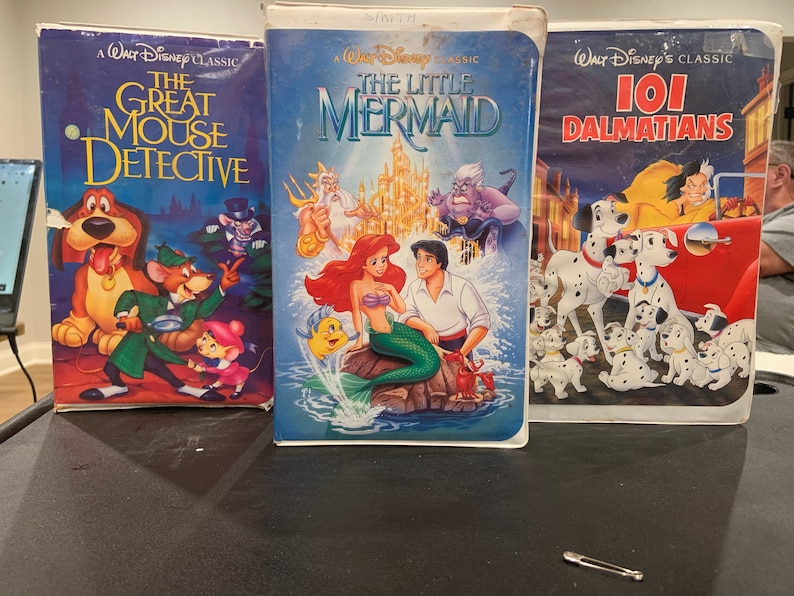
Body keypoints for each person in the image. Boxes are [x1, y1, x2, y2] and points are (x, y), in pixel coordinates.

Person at [303, 234, 440, 412]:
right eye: (374, 261)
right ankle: (372, 384)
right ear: (363, 264)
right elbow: (356, 313)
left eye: (384, 259)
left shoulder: (381, 285)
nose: (381, 265)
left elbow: (400, 309)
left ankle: (374, 384)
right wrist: (359, 341)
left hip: (395, 328)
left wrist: (392, 290)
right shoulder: (356, 286)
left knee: (433, 359)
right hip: (381, 337)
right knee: (429, 366)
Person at [399, 239, 490, 359]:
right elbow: (405, 315)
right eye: (419, 257)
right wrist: (426, 327)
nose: (420, 264)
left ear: (439, 263)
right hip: (428, 345)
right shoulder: (414, 287)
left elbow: (482, 322)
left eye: (428, 259)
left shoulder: (461, 286)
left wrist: (461, 354)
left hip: (457, 346)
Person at [756, 140, 794, 354]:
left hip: (779, 362)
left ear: (780, 175)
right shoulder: (763, 224)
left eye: (756, 167)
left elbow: (753, 260)